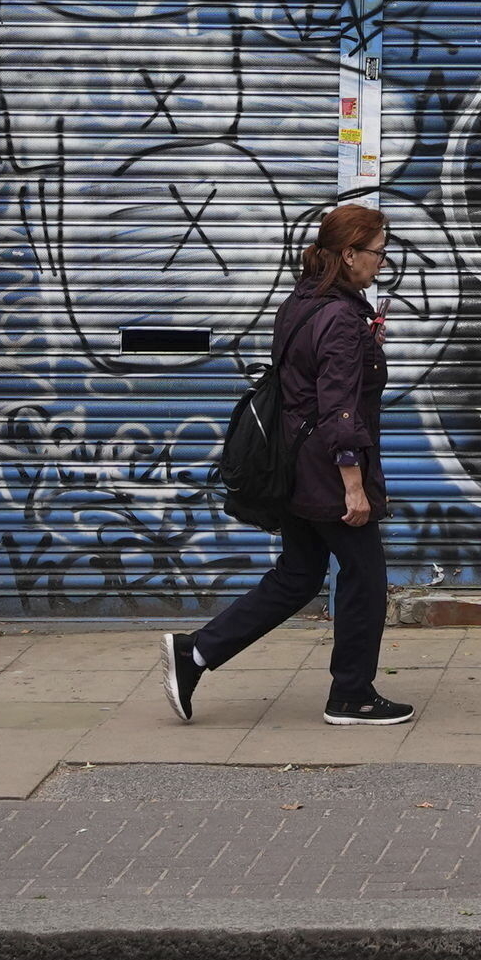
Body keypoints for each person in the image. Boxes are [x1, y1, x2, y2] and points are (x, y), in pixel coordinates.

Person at [163, 204, 415, 727]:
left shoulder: (303, 302)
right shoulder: (341, 317)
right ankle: (352, 695)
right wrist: (353, 486)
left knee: (298, 576)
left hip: (294, 465)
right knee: (366, 579)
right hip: (327, 471)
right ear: (349, 255)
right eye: (377, 252)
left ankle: (196, 654)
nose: (382, 262)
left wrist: (367, 348)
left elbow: (310, 381)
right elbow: (338, 409)